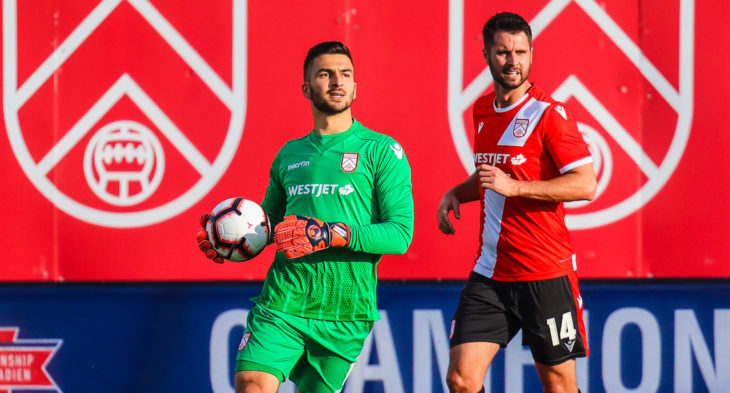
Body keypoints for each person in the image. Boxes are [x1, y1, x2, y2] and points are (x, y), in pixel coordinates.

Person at [197, 41, 414, 393]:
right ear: (306, 87)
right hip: (284, 298)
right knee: (251, 384)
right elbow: (270, 223)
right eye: (325, 74)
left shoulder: (381, 150)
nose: (337, 82)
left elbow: (400, 234)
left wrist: (332, 234)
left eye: (345, 74)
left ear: (355, 86)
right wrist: (230, 239)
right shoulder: (290, 154)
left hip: (346, 309)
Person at [437, 12, 596, 393]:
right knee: (461, 379)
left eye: (521, 52)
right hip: (490, 272)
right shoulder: (481, 110)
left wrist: (518, 189)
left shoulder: (549, 114)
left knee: (558, 385)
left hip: (545, 272)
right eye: (503, 52)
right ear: (487, 54)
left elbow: (585, 184)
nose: (513, 61)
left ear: (531, 54)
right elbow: (493, 174)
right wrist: (457, 193)